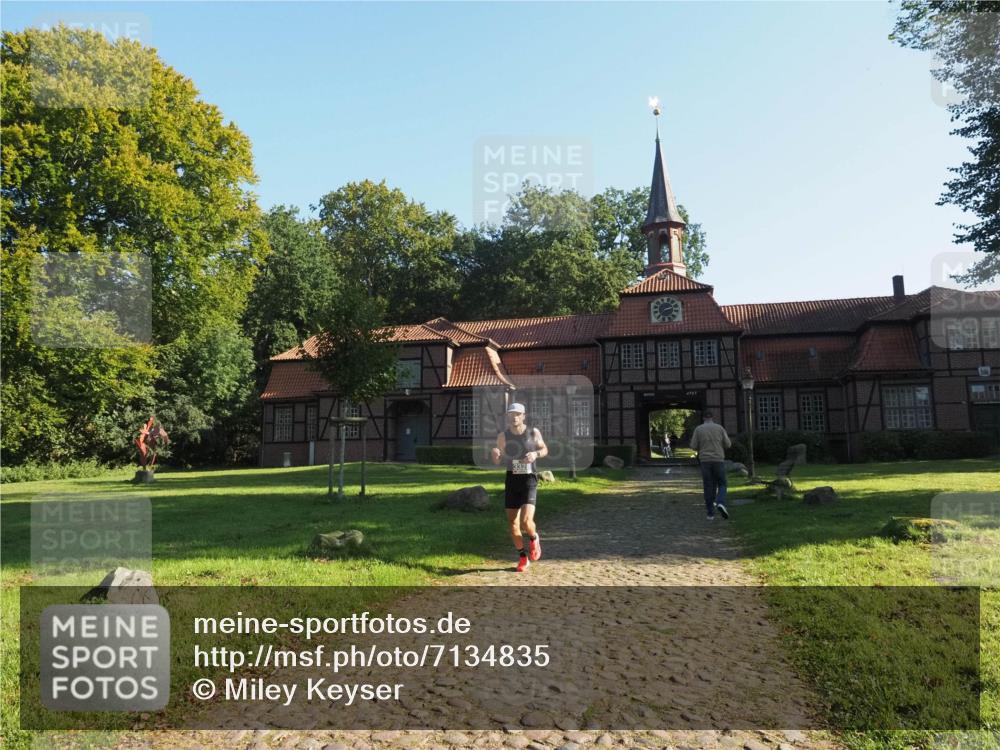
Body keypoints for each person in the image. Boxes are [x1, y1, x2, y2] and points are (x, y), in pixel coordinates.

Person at [491, 403, 548, 572]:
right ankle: (523, 557)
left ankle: (533, 537)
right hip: (512, 480)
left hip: (529, 479)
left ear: (523, 416)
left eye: (517, 414)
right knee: (512, 524)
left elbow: (544, 449)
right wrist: (495, 456)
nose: (514, 417)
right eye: (511, 414)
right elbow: (498, 461)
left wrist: (535, 454)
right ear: (508, 417)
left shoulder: (533, 432)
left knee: (525, 521)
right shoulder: (503, 436)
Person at [689, 409, 731, 520]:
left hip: (705, 461)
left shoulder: (698, 429)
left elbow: (693, 446)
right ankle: (720, 502)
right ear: (712, 418)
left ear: (703, 418)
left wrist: (702, 446)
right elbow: (728, 444)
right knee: (722, 483)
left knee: (708, 485)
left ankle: (710, 513)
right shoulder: (720, 428)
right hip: (718, 459)